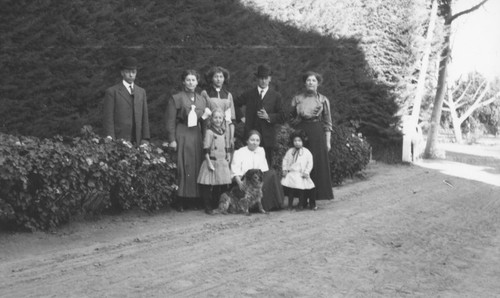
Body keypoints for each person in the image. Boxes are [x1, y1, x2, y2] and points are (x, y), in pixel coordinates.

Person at [165, 69, 211, 211]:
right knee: (183, 166)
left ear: (197, 82)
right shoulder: (176, 98)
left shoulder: (202, 100)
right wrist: (172, 139)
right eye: (188, 80)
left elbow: (204, 123)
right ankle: (180, 200)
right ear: (183, 81)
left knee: (196, 166)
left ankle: (194, 199)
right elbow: (170, 121)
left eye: (193, 80)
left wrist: (205, 140)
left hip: (196, 135)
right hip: (182, 133)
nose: (191, 82)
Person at [289, 71, 334, 209]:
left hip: (317, 133)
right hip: (301, 132)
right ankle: (301, 200)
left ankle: (313, 200)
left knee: (314, 166)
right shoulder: (297, 99)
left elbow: (327, 122)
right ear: (304, 83)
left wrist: (327, 141)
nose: (310, 83)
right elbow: (290, 119)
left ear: (317, 83)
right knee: (300, 165)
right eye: (308, 80)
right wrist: (298, 120)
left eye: (313, 80)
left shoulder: (323, 100)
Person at [234, 64, 285, 166]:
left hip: (267, 138)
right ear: (257, 79)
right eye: (261, 78)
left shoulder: (276, 96)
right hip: (250, 136)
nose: (263, 81)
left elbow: (282, 116)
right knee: (249, 165)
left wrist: (269, 117)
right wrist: (242, 118)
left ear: (270, 79)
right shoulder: (249, 93)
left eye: (266, 78)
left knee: (266, 166)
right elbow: (234, 104)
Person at [231, 130, 284, 211]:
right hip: (246, 178)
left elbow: (264, 169)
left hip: (257, 177)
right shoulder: (239, 152)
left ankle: (276, 204)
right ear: (247, 141)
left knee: (272, 173)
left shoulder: (261, 150)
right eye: (252, 140)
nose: (255, 143)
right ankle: (258, 206)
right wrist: (239, 182)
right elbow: (235, 169)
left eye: (257, 140)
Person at [103, 56, 150, 145]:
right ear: (122, 73)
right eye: (128, 72)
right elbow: (108, 118)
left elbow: (145, 117)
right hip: (119, 139)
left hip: (137, 140)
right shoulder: (112, 92)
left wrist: (145, 138)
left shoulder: (141, 92)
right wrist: (111, 138)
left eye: (133, 72)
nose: (131, 75)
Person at [197, 108, 232, 215]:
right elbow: (206, 148)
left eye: (220, 118)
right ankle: (208, 207)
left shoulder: (223, 131)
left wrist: (228, 154)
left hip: (222, 161)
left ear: (223, 119)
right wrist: (208, 162)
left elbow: (226, 144)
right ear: (212, 119)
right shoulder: (209, 132)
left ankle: (219, 206)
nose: (218, 120)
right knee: (207, 185)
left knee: (220, 185)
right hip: (212, 161)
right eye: (215, 117)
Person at [200, 66, 236, 153]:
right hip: (209, 128)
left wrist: (231, 136)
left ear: (224, 78)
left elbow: (232, 118)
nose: (218, 79)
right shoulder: (205, 93)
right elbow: (201, 114)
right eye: (216, 77)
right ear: (211, 78)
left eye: (221, 77)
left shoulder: (228, 95)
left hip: (225, 129)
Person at [281, 129, 315, 210]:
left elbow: (309, 163)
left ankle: (301, 204)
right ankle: (290, 205)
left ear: (303, 141)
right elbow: (285, 160)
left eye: (299, 140)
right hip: (292, 174)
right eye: (295, 140)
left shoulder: (306, 152)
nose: (297, 142)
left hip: (301, 174)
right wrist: (285, 169)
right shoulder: (290, 151)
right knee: (291, 190)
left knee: (301, 190)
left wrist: (306, 172)